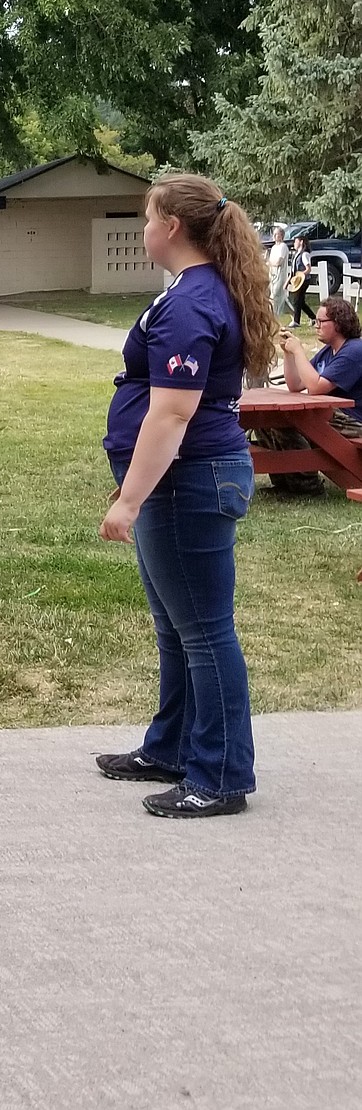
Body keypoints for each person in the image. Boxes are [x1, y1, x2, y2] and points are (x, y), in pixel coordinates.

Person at [98, 174, 274, 819]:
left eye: (147, 218)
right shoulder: (190, 293)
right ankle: (171, 747)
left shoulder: (191, 303)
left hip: (187, 480)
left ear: (171, 227)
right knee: (178, 629)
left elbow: (171, 415)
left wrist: (129, 499)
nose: (143, 229)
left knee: (204, 632)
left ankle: (221, 775)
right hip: (187, 477)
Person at [279, 296, 362, 440]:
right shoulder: (328, 350)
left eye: (321, 321)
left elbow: (315, 388)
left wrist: (298, 351)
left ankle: (301, 461)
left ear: (339, 323)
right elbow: (296, 384)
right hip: (333, 415)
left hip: (353, 420)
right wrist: (289, 353)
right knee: (272, 421)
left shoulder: (354, 351)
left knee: (289, 421)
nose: (316, 326)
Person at [287, 235, 314, 327]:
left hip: (304, 280)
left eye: (296, 241)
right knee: (301, 302)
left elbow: (308, 269)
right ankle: (313, 317)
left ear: (301, 242)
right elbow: (293, 270)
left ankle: (296, 321)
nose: (294, 243)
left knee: (296, 300)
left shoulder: (304, 254)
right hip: (297, 280)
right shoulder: (296, 254)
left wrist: (300, 275)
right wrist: (287, 282)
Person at [267, 225, 290, 321]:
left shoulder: (283, 247)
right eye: (274, 234)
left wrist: (270, 263)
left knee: (275, 296)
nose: (275, 236)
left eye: (277, 234)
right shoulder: (273, 248)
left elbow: (278, 262)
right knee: (278, 297)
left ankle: (273, 317)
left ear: (281, 236)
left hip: (280, 275)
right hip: (272, 275)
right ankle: (294, 316)